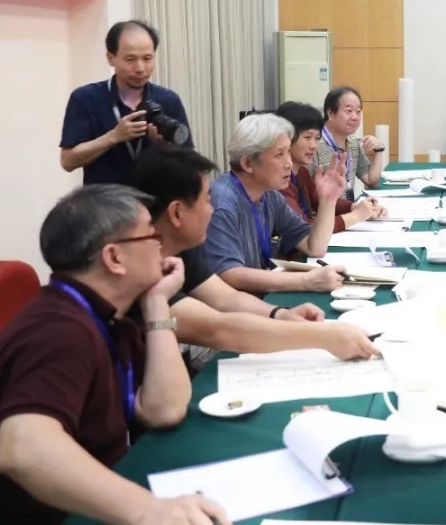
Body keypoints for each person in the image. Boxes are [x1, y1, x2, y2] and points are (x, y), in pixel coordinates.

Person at [0, 185, 229, 525]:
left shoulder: (110, 318)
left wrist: (157, 302)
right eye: (151, 236)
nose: (161, 246)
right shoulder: (58, 330)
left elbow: (164, 410)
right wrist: (150, 510)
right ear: (114, 258)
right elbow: (23, 449)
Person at [129, 145, 379, 368]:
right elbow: (217, 329)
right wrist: (325, 337)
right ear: (176, 213)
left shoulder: (178, 247)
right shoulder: (137, 269)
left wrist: (279, 314)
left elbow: (226, 298)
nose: (212, 209)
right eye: (206, 200)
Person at [204, 113, 347, 293]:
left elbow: (314, 246)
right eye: (279, 155)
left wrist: (328, 200)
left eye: (288, 152)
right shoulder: (222, 204)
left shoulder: (269, 194)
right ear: (247, 163)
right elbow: (228, 274)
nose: (289, 163)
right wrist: (307, 281)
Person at [60, 20, 193, 185]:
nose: (140, 68)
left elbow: (189, 163)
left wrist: (165, 149)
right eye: (130, 59)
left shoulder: (168, 99)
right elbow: (68, 161)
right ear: (111, 58)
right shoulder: (85, 98)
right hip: (107, 199)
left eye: (147, 58)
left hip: (156, 198)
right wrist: (113, 137)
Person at [275, 101, 388, 231]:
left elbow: (318, 200)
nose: (313, 145)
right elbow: (304, 228)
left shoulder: (301, 172)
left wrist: (355, 207)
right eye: (307, 137)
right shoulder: (279, 180)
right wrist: (355, 216)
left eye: (317, 138)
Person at [313, 86, 386, 196]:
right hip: (327, 206)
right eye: (349, 111)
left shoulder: (353, 142)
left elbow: (371, 180)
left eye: (358, 112)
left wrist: (378, 150)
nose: (355, 117)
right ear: (331, 114)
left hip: (348, 205)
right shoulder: (314, 144)